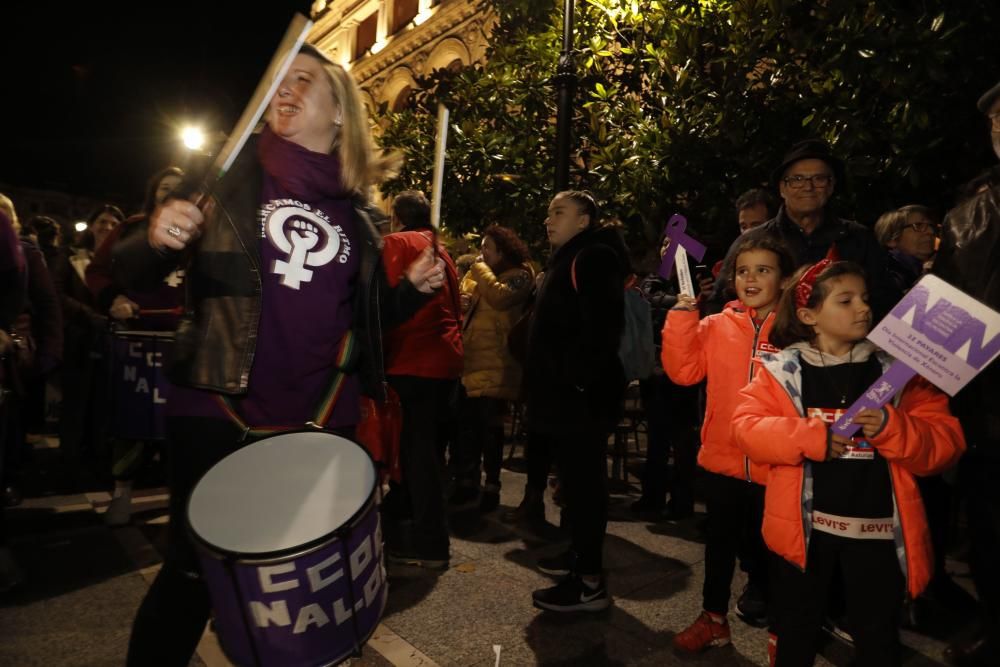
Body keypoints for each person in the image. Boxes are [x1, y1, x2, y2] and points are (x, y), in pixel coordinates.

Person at [114, 45, 445, 666]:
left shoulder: (362, 219)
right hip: (218, 413)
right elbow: (129, 270)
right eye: (277, 82)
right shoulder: (226, 176)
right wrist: (157, 239)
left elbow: (363, 328)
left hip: (319, 424)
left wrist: (408, 296)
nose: (284, 91)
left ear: (341, 111)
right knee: (191, 576)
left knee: (294, 596)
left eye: (304, 80)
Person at [733, 260, 965, 666]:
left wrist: (894, 428)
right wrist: (810, 437)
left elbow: (945, 443)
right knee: (796, 632)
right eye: (846, 300)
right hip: (804, 535)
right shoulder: (782, 372)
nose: (863, 309)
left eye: (865, 299)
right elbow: (747, 428)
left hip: (877, 536)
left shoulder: (901, 373)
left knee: (878, 638)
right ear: (809, 316)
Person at [664, 236, 795, 651]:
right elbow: (684, 372)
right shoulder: (716, 325)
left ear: (785, 279)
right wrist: (683, 318)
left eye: (763, 270)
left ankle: (784, 636)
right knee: (719, 546)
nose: (751, 278)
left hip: (778, 464)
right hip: (723, 459)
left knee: (777, 555)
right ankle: (713, 619)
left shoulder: (798, 329)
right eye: (743, 270)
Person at [525, 190, 627, 613]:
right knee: (573, 484)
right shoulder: (568, 258)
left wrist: (577, 383)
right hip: (564, 397)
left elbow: (603, 330)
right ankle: (577, 559)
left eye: (559, 212)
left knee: (585, 489)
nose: (549, 219)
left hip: (580, 401)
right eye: (548, 211)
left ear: (584, 220)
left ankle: (588, 583)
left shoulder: (592, 257)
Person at [932, 79, 1000, 667]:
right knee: (989, 521)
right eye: (998, 120)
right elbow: (948, 308)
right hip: (986, 402)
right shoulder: (966, 212)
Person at [87, 167, 185, 526]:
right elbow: (97, 272)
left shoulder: (202, 228)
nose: (171, 192)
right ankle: (122, 492)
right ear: (153, 192)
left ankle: (180, 501)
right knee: (132, 420)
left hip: (184, 345)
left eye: (179, 187)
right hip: (136, 340)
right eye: (164, 186)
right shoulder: (130, 228)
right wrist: (114, 299)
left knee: (182, 426)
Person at [709, 140, 898, 320]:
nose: (808, 187)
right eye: (797, 179)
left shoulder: (858, 237)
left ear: (831, 186)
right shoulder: (753, 241)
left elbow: (884, 302)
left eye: (819, 179)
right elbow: (719, 303)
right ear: (782, 188)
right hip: (767, 349)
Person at [379, 190, 463, 568]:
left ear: (396, 217)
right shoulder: (441, 250)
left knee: (414, 454)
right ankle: (417, 535)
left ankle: (427, 543)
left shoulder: (395, 244)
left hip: (410, 361)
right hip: (444, 361)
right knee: (426, 452)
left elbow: (383, 304)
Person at [450, 225, 533, 512]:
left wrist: (480, 269)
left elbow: (499, 298)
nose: (482, 253)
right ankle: (467, 482)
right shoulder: (479, 278)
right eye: (482, 248)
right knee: (467, 429)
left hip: (498, 364)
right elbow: (469, 301)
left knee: (490, 430)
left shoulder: (521, 276)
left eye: (488, 248)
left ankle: (492, 486)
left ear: (503, 251)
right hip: (470, 362)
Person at [631, 233, 699, 520]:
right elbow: (651, 301)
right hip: (658, 372)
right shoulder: (652, 281)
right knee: (657, 438)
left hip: (689, 373)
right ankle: (653, 497)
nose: (669, 250)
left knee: (684, 440)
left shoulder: (697, 282)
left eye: (677, 246)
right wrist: (683, 303)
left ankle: (682, 502)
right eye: (665, 245)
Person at [53, 205, 123, 466]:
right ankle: (69, 455)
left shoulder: (124, 260)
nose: (107, 226)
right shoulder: (71, 256)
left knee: (104, 399)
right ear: (92, 226)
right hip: (79, 337)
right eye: (102, 221)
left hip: (112, 338)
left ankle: (98, 452)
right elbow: (57, 294)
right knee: (76, 397)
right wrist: (89, 316)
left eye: (114, 222)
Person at [872, 205, 938, 293]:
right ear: (892, 239)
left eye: (931, 226)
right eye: (918, 225)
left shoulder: (941, 264)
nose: (931, 231)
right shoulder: (884, 276)